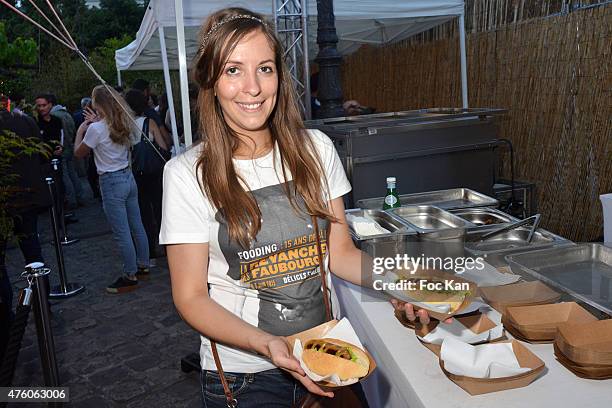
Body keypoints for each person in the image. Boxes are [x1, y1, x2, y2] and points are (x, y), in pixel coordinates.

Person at [159, 8, 437, 407]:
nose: (252, 88)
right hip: (248, 376)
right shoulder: (186, 174)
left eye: (265, 68)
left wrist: (400, 283)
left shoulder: (316, 149)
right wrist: (267, 343)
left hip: (327, 353)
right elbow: (190, 297)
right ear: (211, 81)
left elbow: (340, 255)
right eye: (233, 70)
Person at [74, 85, 150, 293]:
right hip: (128, 177)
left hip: (111, 182)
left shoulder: (96, 129)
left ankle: (130, 274)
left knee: (122, 232)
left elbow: (79, 153)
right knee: (137, 225)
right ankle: (143, 264)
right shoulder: (125, 121)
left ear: (98, 104)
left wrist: (82, 128)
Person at [0, 94, 49, 361]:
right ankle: (43, 304)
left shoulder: (21, 121)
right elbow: (40, 153)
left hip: (9, 200)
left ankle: (10, 315)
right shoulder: (25, 121)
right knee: (33, 251)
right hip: (28, 197)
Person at [125, 88, 168, 263]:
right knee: (159, 208)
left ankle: (148, 248)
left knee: (142, 213)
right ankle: (166, 244)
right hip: (154, 171)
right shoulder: (148, 122)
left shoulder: (123, 124)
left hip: (135, 172)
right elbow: (163, 146)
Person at [49, 94, 84, 209]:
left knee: (65, 176)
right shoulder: (66, 114)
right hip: (70, 147)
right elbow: (73, 130)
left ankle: (71, 200)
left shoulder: (54, 116)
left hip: (62, 149)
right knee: (72, 173)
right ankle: (80, 196)